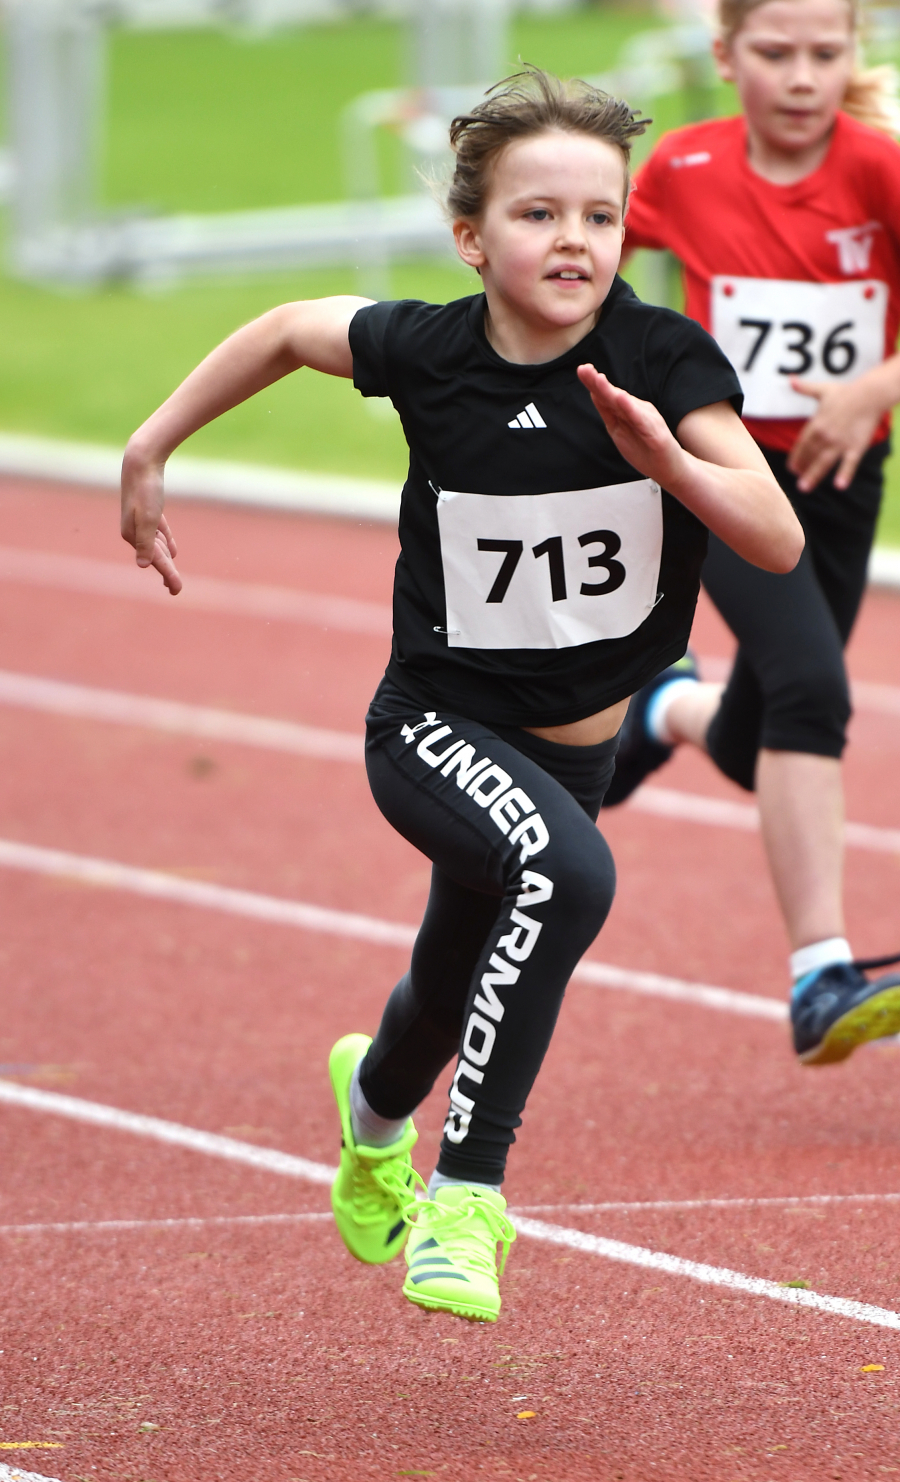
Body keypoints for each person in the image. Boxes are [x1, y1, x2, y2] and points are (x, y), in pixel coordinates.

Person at [120, 71, 801, 1322]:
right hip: (432, 726)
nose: (574, 240)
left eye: (600, 216)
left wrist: (669, 461)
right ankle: (466, 1194)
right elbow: (285, 330)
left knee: (452, 981)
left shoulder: (662, 357)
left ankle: (374, 1111)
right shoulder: (429, 351)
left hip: (576, 751)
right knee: (569, 876)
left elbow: (774, 537)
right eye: (538, 215)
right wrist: (150, 444)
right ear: (471, 238)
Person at [613, 0, 900, 1067]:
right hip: (722, 474)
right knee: (814, 693)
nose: (803, 78)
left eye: (826, 55)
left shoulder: (878, 168)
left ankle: (666, 710)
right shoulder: (686, 166)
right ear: (727, 58)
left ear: (852, 54)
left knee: (769, 727)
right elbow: (584, 269)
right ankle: (820, 973)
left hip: (842, 477)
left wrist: (875, 389)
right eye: (776, 54)